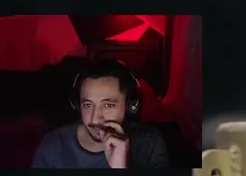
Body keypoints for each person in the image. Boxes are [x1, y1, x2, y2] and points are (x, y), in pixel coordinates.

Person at [31, 59, 169, 169]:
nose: (95, 118)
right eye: (88, 105)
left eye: (108, 105)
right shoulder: (53, 146)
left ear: (130, 105)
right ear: (77, 105)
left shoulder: (149, 143)